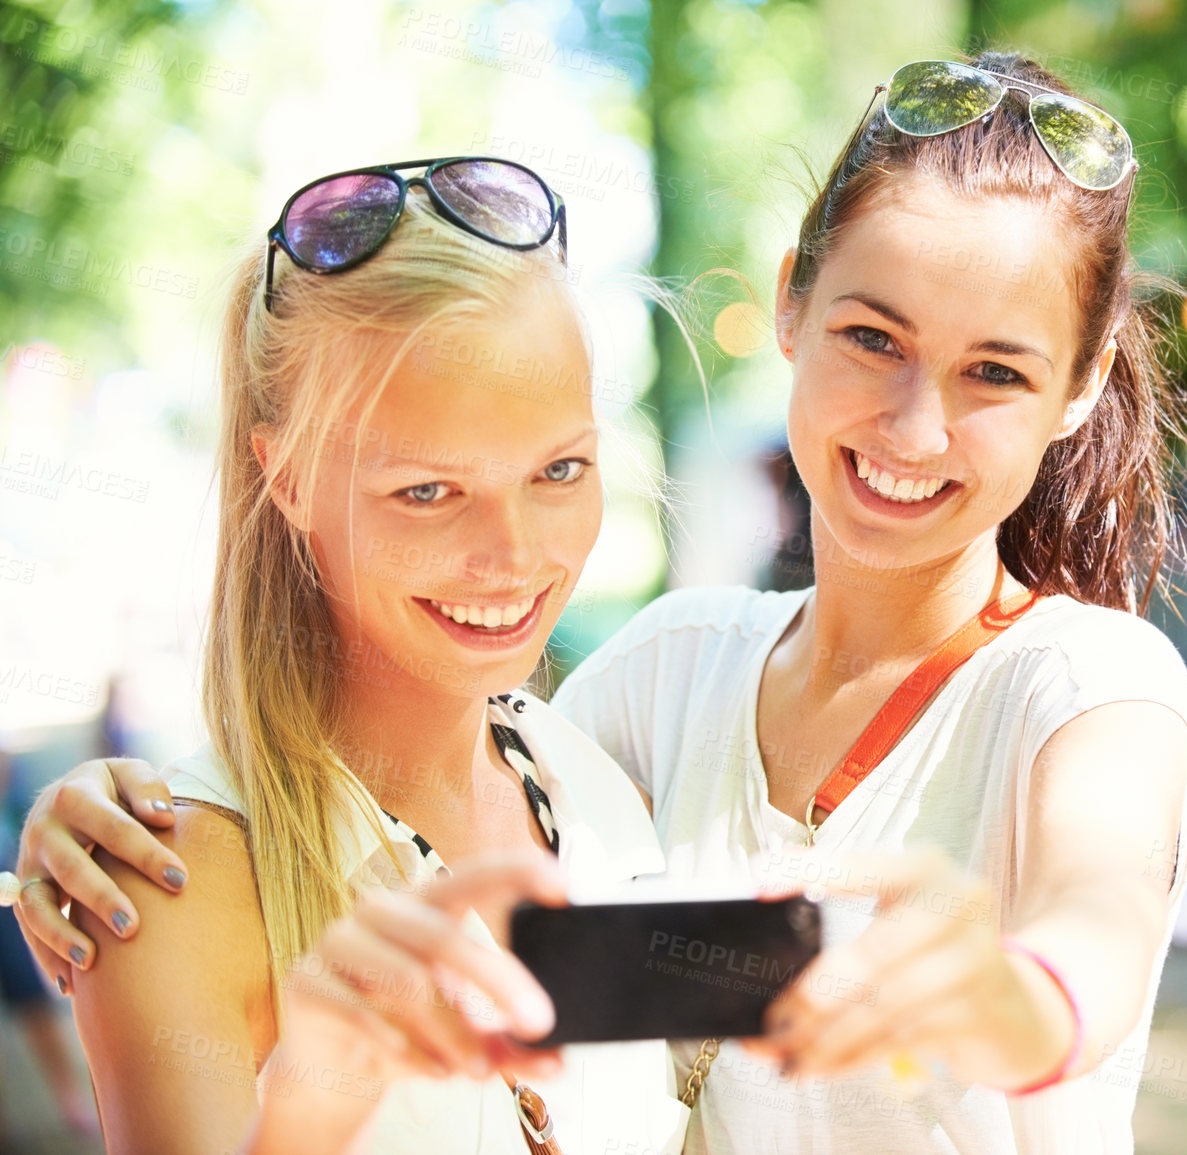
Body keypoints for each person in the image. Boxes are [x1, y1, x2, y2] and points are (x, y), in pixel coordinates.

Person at [12, 52, 1187, 1154]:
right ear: (789, 306)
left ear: (1082, 382)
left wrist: (1022, 1002)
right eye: (871, 336)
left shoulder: (1093, 687)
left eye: (563, 471)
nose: (916, 426)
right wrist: (96, 818)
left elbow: (1089, 932)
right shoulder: (650, 689)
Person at [2, 157, 690, 1154]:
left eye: (558, 469)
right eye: (426, 491)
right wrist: (309, 1112)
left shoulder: (599, 792)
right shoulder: (171, 882)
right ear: (285, 478)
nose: (514, 555)